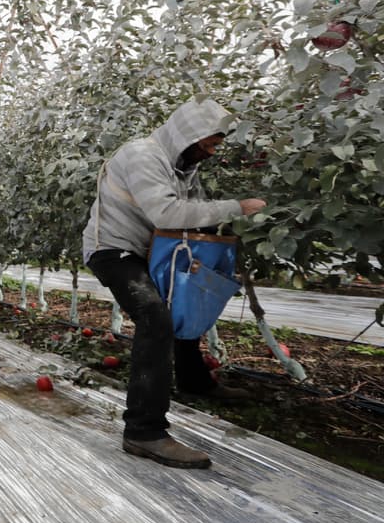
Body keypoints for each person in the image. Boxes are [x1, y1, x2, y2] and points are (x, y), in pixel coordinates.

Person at [82, 98, 266, 470]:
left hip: (152, 250)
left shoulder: (183, 167)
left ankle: (195, 380)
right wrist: (236, 207)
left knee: (182, 302)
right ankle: (143, 431)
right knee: (154, 316)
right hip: (113, 250)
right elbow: (166, 212)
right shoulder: (142, 156)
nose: (212, 151)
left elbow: (193, 213)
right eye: (209, 143)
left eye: (216, 144)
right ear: (188, 136)